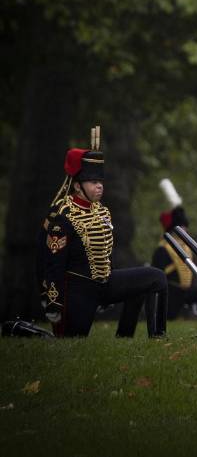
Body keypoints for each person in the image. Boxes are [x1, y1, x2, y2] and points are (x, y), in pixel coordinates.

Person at [39, 139, 168, 338]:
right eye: (93, 182)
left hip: (105, 283)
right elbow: (53, 263)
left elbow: (105, 254)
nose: (99, 186)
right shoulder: (62, 216)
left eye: (100, 182)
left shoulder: (103, 212)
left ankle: (147, 337)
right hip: (78, 292)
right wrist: (53, 302)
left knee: (155, 278)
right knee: (71, 341)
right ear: (77, 186)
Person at [150, 178, 197, 320]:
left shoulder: (188, 247)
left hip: (186, 291)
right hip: (171, 290)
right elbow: (157, 275)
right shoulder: (162, 249)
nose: (185, 229)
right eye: (181, 227)